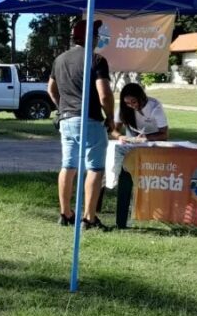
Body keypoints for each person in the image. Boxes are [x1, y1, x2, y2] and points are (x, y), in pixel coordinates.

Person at [47, 19, 115, 230]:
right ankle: (89, 218)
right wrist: (110, 117)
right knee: (95, 168)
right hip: (90, 120)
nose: (98, 39)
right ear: (90, 37)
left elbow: (51, 89)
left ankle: (65, 213)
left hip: (66, 120)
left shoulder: (59, 59)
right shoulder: (97, 60)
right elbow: (105, 95)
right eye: (96, 35)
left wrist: (62, 107)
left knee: (68, 166)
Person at [109, 83, 169, 228]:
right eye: (127, 103)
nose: (131, 105)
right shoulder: (123, 109)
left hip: (153, 142)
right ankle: (122, 217)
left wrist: (146, 139)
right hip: (132, 142)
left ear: (141, 98)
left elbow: (164, 134)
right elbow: (113, 130)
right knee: (125, 171)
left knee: (151, 176)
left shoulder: (155, 107)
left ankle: (155, 209)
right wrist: (120, 137)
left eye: (134, 102)